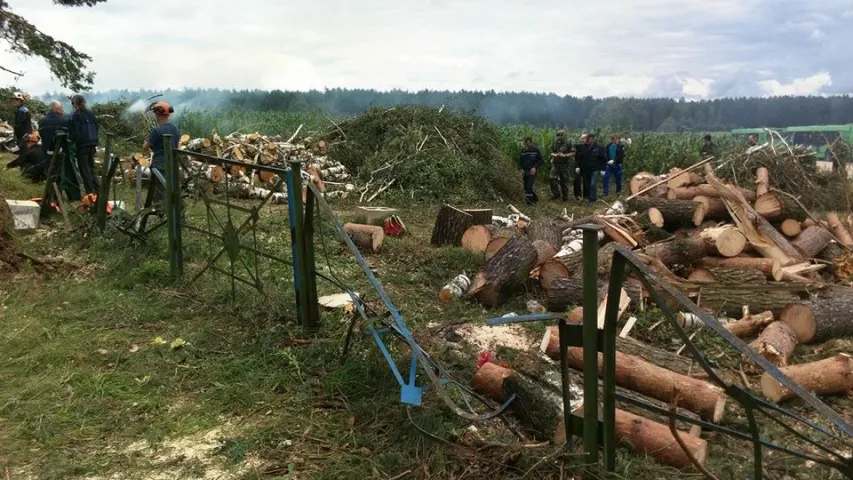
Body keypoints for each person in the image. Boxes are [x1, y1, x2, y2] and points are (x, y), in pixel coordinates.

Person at [143, 101, 180, 205]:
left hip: (159, 165)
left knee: (159, 192)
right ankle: (175, 212)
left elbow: (145, 146)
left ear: (158, 114)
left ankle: (162, 212)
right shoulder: (175, 129)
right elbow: (177, 146)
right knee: (172, 190)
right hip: (172, 164)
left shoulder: (156, 130)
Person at [69, 94, 100, 194]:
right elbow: (97, 128)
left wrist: (75, 142)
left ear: (75, 103)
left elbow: (74, 132)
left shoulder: (76, 115)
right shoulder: (91, 114)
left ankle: (90, 193)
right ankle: (98, 190)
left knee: (84, 169)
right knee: (91, 168)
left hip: (82, 146)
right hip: (92, 144)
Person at [580, 134, 607, 203]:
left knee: (593, 184)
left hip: (595, 169)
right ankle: (589, 198)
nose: (589, 140)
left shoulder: (599, 148)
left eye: (590, 138)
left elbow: (603, 159)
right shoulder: (584, 147)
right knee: (587, 184)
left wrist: (603, 169)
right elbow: (581, 158)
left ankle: (593, 199)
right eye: (588, 138)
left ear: (593, 139)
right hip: (586, 169)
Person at [549, 129, 574, 201]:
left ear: (564, 135)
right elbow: (551, 152)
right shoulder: (555, 142)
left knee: (564, 181)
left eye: (561, 135)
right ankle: (556, 194)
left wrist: (564, 155)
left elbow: (573, 152)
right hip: (555, 164)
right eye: (558, 135)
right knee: (552, 178)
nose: (559, 137)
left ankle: (565, 197)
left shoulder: (569, 142)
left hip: (564, 165)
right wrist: (554, 155)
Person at [518, 136, 543, 205]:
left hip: (532, 171)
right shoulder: (523, 150)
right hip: (525, 171)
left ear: (531, 143)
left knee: (529, 186)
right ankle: (534, 199)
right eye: (525, 144)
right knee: (526, 187)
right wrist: (521, 169)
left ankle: (529, 202)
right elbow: (520, 161)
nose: (526, 145)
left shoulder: (536, 150)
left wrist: (535, 167)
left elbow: (541, 160)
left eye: (528, 144)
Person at [573, 132, 587, 200]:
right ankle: (577, 195)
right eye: (581, 138)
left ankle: (585, 196)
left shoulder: (589, 147)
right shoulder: (577, 146)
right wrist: (577, 166)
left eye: (584, 138)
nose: (582, 139)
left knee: (586, 181)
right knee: (577, 180)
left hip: (586, 167)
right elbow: (576, 157)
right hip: (578, 166)